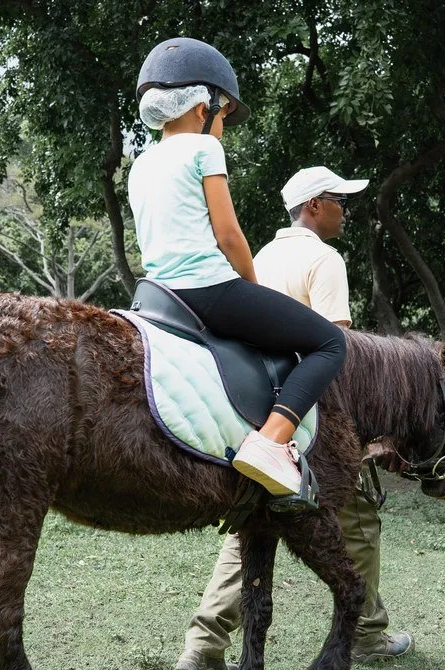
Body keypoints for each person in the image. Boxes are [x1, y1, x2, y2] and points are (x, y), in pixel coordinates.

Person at [174, 167, 414, 670]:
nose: (345, 211)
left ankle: (203, 642)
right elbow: (338, 355)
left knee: (253, 521)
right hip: (309, 417)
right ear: (315, 206)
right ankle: (368, 632)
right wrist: (360, 435)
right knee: (358, 519)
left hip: (256, 407)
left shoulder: (262, 255)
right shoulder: (324, 260)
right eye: (339, 201)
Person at [128, 38, 347, 502]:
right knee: (330, 342)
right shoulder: (204, 150)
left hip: (159, 295)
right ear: (204, 105)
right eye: (224, 112)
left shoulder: (140, 164)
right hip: (209, 288)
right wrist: (253, 285)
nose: (223, 122)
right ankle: (271, 441)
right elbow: (229, 236)